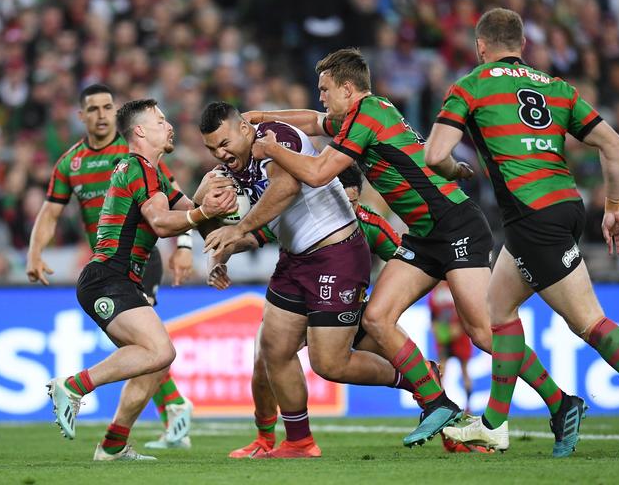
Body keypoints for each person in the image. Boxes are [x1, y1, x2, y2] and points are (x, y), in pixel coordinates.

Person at [245, 48, 578, 449]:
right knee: (377, 317)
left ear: (348, 89)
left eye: (325, 89)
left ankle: (561, 403)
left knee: (483, 332)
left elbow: (316, 173)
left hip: (457, 226)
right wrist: (265, 118)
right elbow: (315, 122)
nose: (321, 97)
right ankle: (436, 401)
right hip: (425, 235)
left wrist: (274, 148)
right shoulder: (360, 113)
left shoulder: (366, 114)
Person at [420, 8, 619, 457]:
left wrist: (457, 168)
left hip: (531, 217)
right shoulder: (558, 88)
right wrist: (614, 207)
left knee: (590, 323)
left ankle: (510, 421)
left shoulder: (473, 85)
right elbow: (614, 144)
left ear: (481, 46)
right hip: (564, 205)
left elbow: (434, 154)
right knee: (498, 310)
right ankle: (495, 425)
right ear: (522, 45)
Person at [200, 102, 422, 458]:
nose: (220, 153)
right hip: (295, 259)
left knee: (330, 364)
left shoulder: (276, 138)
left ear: (244, 129)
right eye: (212, 149)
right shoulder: (234, 168)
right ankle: (299, 441)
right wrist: (213, 232)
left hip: (336, 254)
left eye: (224, 143)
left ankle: (421, 380)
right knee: (273, 350)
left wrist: (238, 227)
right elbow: (238, 231)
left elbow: (285, 188)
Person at [46, 99, 238, 461]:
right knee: (161, 351)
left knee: (154, 361)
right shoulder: (138, 167)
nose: (169, 126)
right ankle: (72, 387)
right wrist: (204, 211)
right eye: (160, 120)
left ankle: (114, 445)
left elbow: (190, 211)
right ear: (140, 131)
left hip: (119, 280)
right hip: (108, 277)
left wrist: (218, 206)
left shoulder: (155, 174)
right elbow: (166, 223)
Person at [26, 84, 195, 450]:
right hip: (111, 267)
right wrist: (34, 252)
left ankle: (126, 437)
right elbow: (50, 211)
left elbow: (179, 201)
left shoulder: (140, 156)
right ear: (82, 116)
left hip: (138, 264)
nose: (101, 114)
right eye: (94, 109)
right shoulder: (75, 163)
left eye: (107, 107)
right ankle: (167, 407)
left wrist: (186, 245)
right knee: (152, 351)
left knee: (147, 352)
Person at [223, 164, 408, 458]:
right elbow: (256, 237)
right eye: (340, 202)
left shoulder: (370, 224)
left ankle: (436, 402)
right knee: (265, 356)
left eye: (353, 202)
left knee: (399, 356)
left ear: (358, 197)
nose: (345, 210)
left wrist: (381, 306)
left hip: (346, 303)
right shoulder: (301, 213)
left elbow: (404, 266)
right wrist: (224, 245)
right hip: (298, 297)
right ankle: (264, 439)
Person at [429, 281, 473, 411]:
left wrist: (461, 326)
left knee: (464, 370)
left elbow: (466, 309)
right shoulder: (435, 291)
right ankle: (441, 405)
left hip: (460, 335)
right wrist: (437, 329)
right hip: (444, 335)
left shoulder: (454, 286)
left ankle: (468, 405)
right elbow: (433, 316)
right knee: (442, 371)